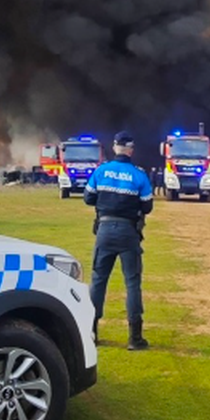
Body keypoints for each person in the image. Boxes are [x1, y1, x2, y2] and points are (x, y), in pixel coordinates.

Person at [83, 133, 154, 350]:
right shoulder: (139, 175)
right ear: (131, 150)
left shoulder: (101, 171)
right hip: (128, 232)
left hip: (104, 230)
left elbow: (88, 198)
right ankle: (135, 337)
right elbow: (147, 206)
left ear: (115, 148)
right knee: (132, 283)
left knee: (98, 281)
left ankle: (91, 332)